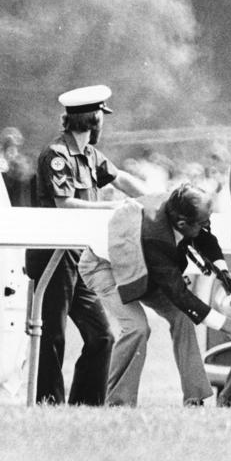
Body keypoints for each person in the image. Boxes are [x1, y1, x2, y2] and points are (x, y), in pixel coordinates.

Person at [78, 183, 231, 406]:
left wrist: (223, 272)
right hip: (104, 267)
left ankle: (194, 399)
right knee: (137, 327)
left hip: (140, 263)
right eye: (202, 222)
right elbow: (180, 295)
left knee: (182, 319)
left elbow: (205, 238)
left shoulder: (181, 206)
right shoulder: (155, 239)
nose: (206, 225)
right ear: (181, 223)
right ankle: (119, 404)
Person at [25, 85, 150, 405]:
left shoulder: (92, 156)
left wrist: (154, 200)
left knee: (102, 335)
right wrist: (113, 208)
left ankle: (86, 404)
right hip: (54, 256)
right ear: (94, 119)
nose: (103, 124)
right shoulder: (57, 155)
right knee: (52, 335)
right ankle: (47, 403)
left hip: (82, 257)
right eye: (101, 117)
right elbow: (64, 204)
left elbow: (123, 180)